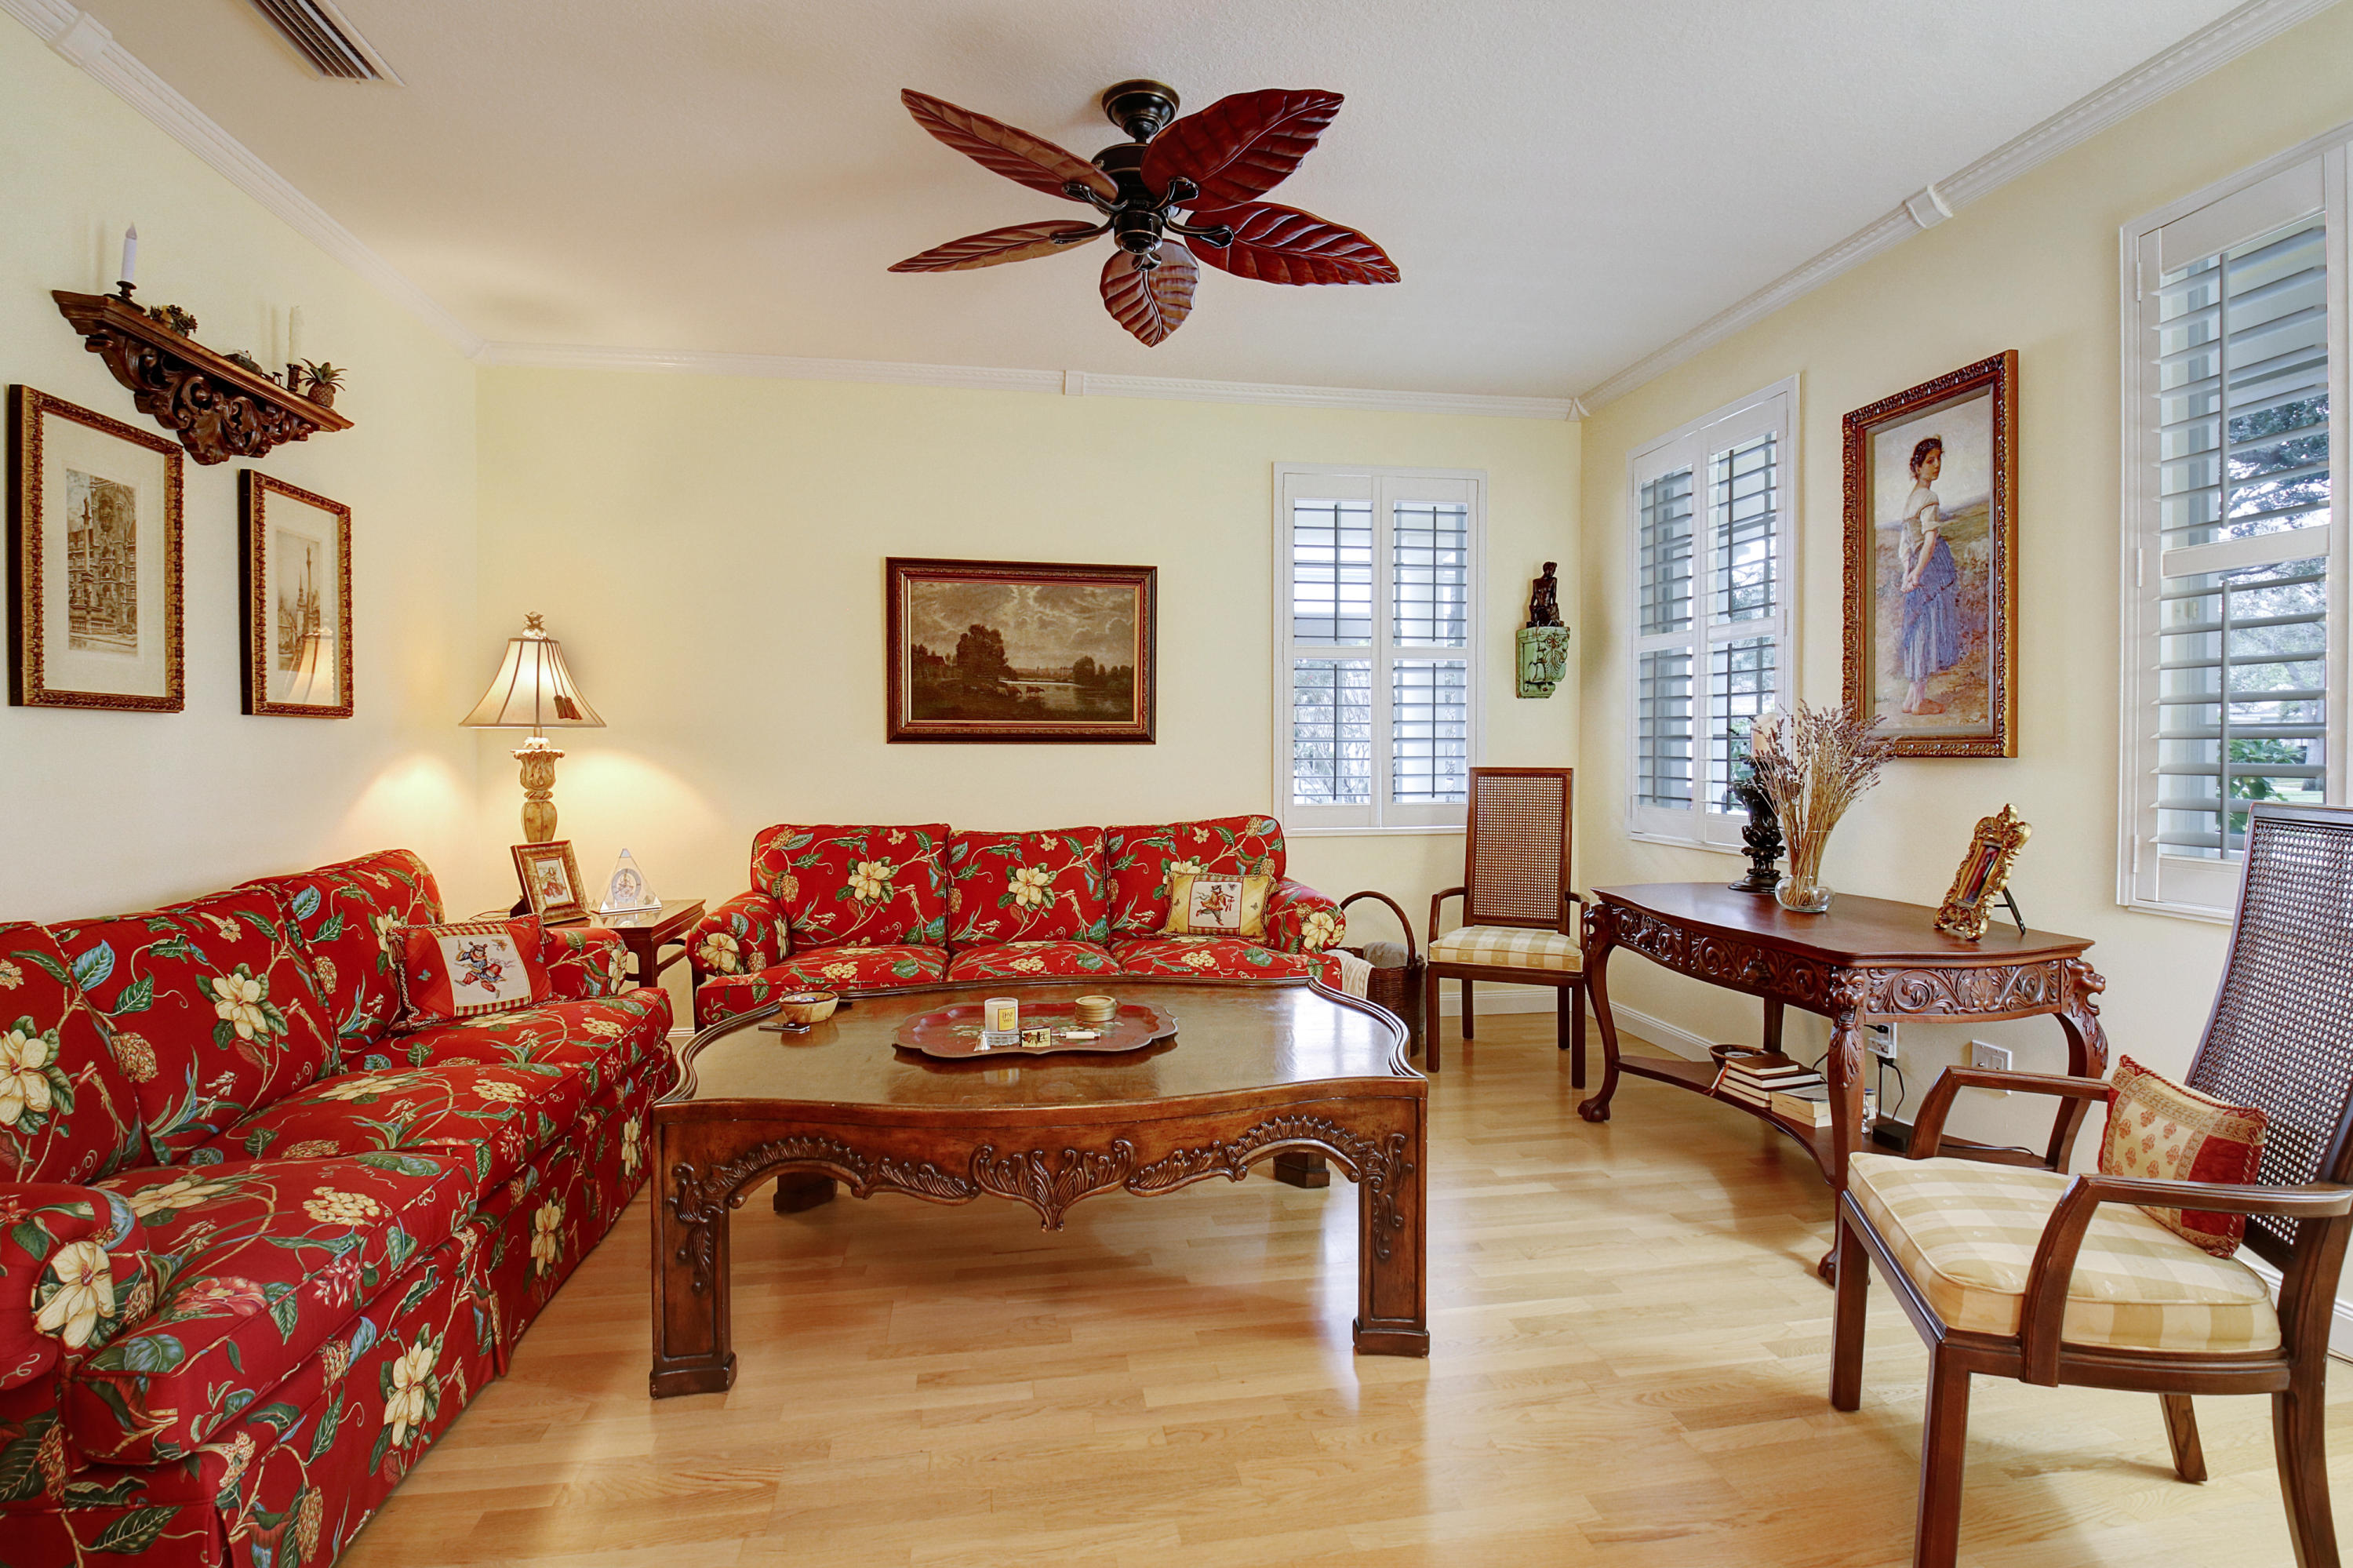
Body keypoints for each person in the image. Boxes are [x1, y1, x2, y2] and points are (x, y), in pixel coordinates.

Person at [1896, 437, 1960, 715]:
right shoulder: (1928, 498)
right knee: (1927, 626)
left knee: (1919, 626)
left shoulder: (1911, 499)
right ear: (1918, 467)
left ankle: (1912, 698)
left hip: (1918, 564)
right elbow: (1930, 542)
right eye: (1930, 461)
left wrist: (1908, 572)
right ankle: (1919, 701)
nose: (1936, 465)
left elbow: (1905, 545)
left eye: (1939, 459)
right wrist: (1917, 573)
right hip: (1931, 565)